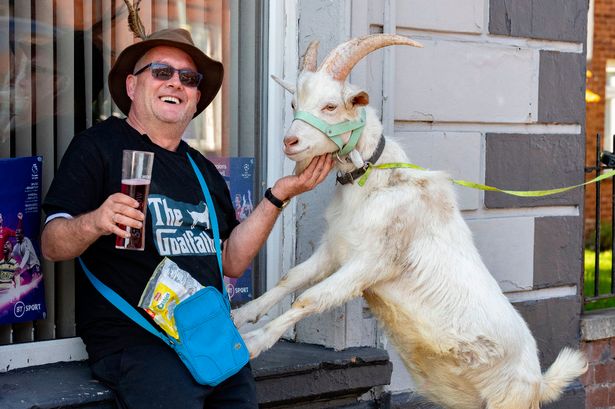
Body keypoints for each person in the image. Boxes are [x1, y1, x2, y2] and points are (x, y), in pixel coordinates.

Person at [40, 27, 333, 409]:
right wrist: (96, 220)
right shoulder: (98, 146)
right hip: (140, 343)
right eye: (161, 72)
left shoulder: (203, 169)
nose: (176, 83)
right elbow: (51, 244)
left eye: (188, 79)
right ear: (132, 86)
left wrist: (278, 196)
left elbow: (231, 260)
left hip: (208, 337)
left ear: (196, 99)